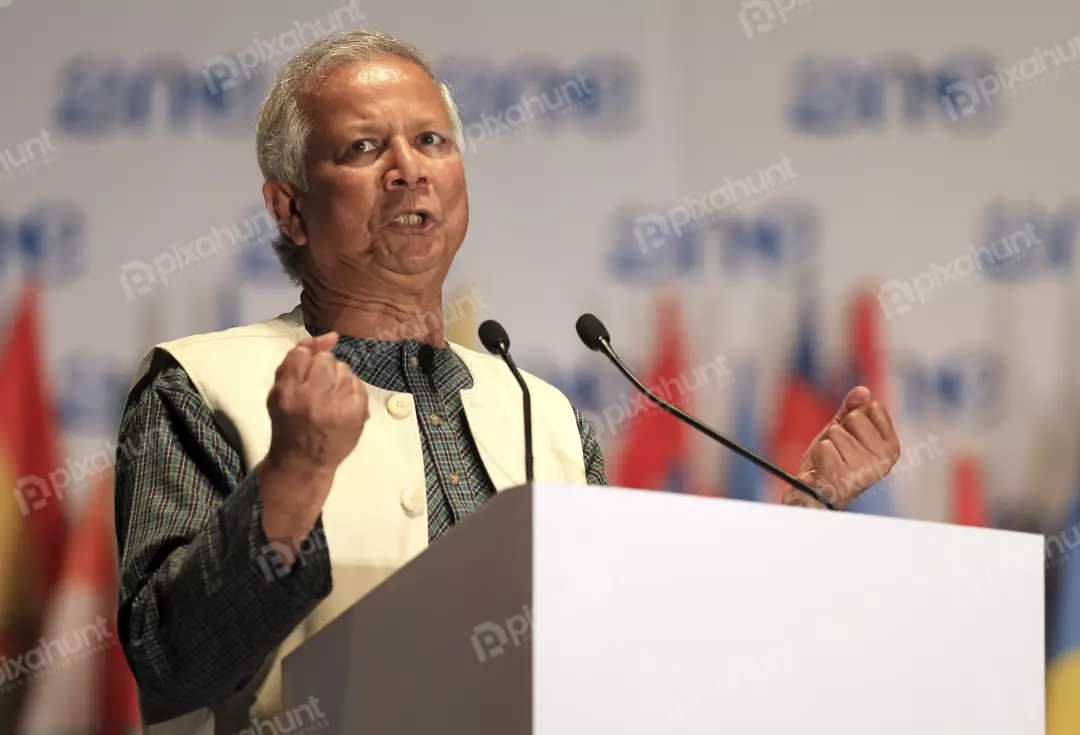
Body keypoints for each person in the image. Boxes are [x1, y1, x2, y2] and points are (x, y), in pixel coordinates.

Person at [113, 29, 902, 733]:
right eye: (363, 149)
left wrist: (800, 513)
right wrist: (294, 474)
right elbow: (170, 662)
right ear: (289, 209)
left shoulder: (545, 414)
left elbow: (627, 649)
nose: (407, 172)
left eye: (432, 140)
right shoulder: (200, 385)